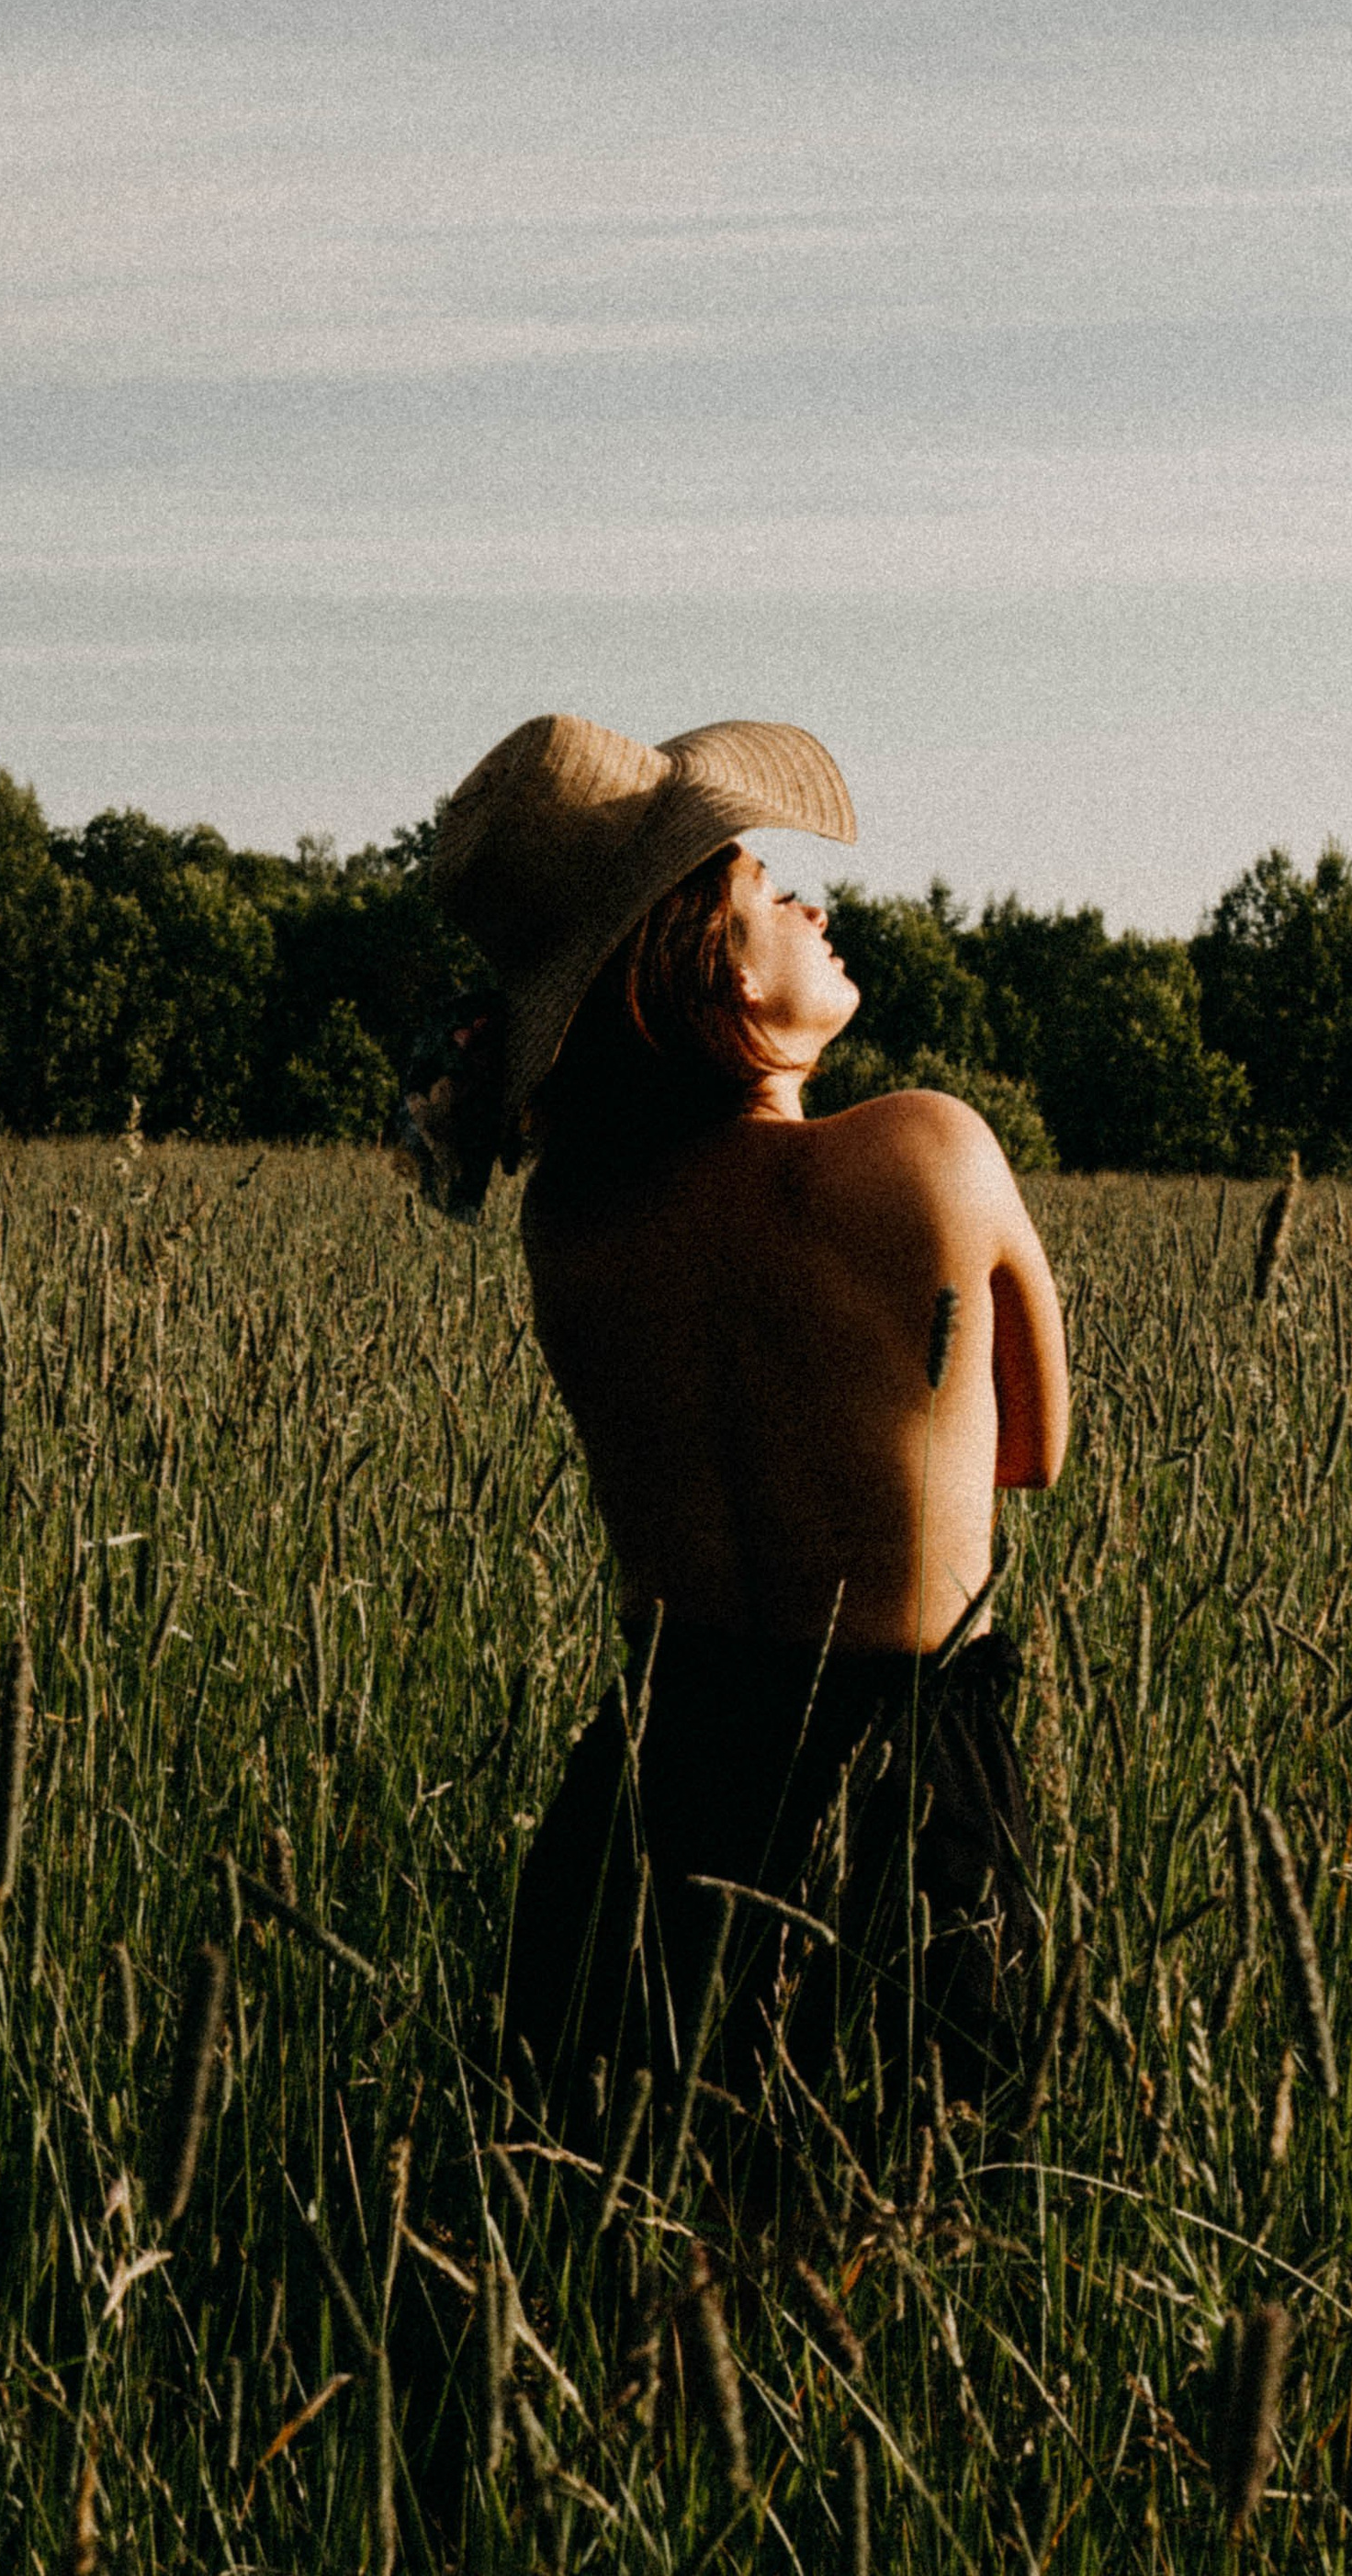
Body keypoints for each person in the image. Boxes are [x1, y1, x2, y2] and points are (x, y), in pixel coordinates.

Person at [423, 711, 1070, 2141]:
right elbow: (1034, 1451)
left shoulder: (568, 1225)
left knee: (617, 2264)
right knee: (896, 2245)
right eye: (767, 886)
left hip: (653, 1793)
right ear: (706, 955)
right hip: (900, 1798)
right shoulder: (932, 1148)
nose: (811, 899)